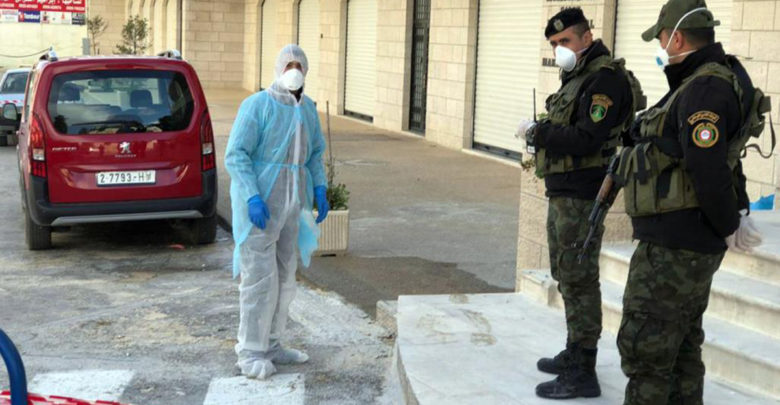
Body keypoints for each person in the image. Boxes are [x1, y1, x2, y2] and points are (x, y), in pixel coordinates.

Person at [614, 0, 764, 403]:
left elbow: (707, 166)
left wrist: (730, 222)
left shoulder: (704, 88)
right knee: (681, 349)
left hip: (675, 245)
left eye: (661, 39)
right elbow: (725, 156)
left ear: (677, 38)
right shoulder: (707, 80)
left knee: (646, 350)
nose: (661, 47)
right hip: (685, 240)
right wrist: (737, 212)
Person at [518, 7, 643, 400]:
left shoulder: (605, 80)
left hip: (583, 192)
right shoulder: (579, 75)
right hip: (564, 191)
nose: (559, 49)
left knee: (579, 277)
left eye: (565, 41)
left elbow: (588, 138)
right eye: (554, 44)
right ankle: (575, 350)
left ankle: (583, 369)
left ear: (586, 37)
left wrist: (538, 132)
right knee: (566, 273)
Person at [224, 44, 329, 380]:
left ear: (306, 70)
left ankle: (272, 343)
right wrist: (252, 196)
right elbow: (236, 154)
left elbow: (314, 153)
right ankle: (250, 352)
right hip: (260, 205)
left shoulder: (308, 109)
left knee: (285, 276)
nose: (294, 70)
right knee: (258, 279)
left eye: (299, 65)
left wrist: (319, 187)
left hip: (292, 204)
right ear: (278, 68)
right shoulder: (257, 105)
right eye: (288, 64)